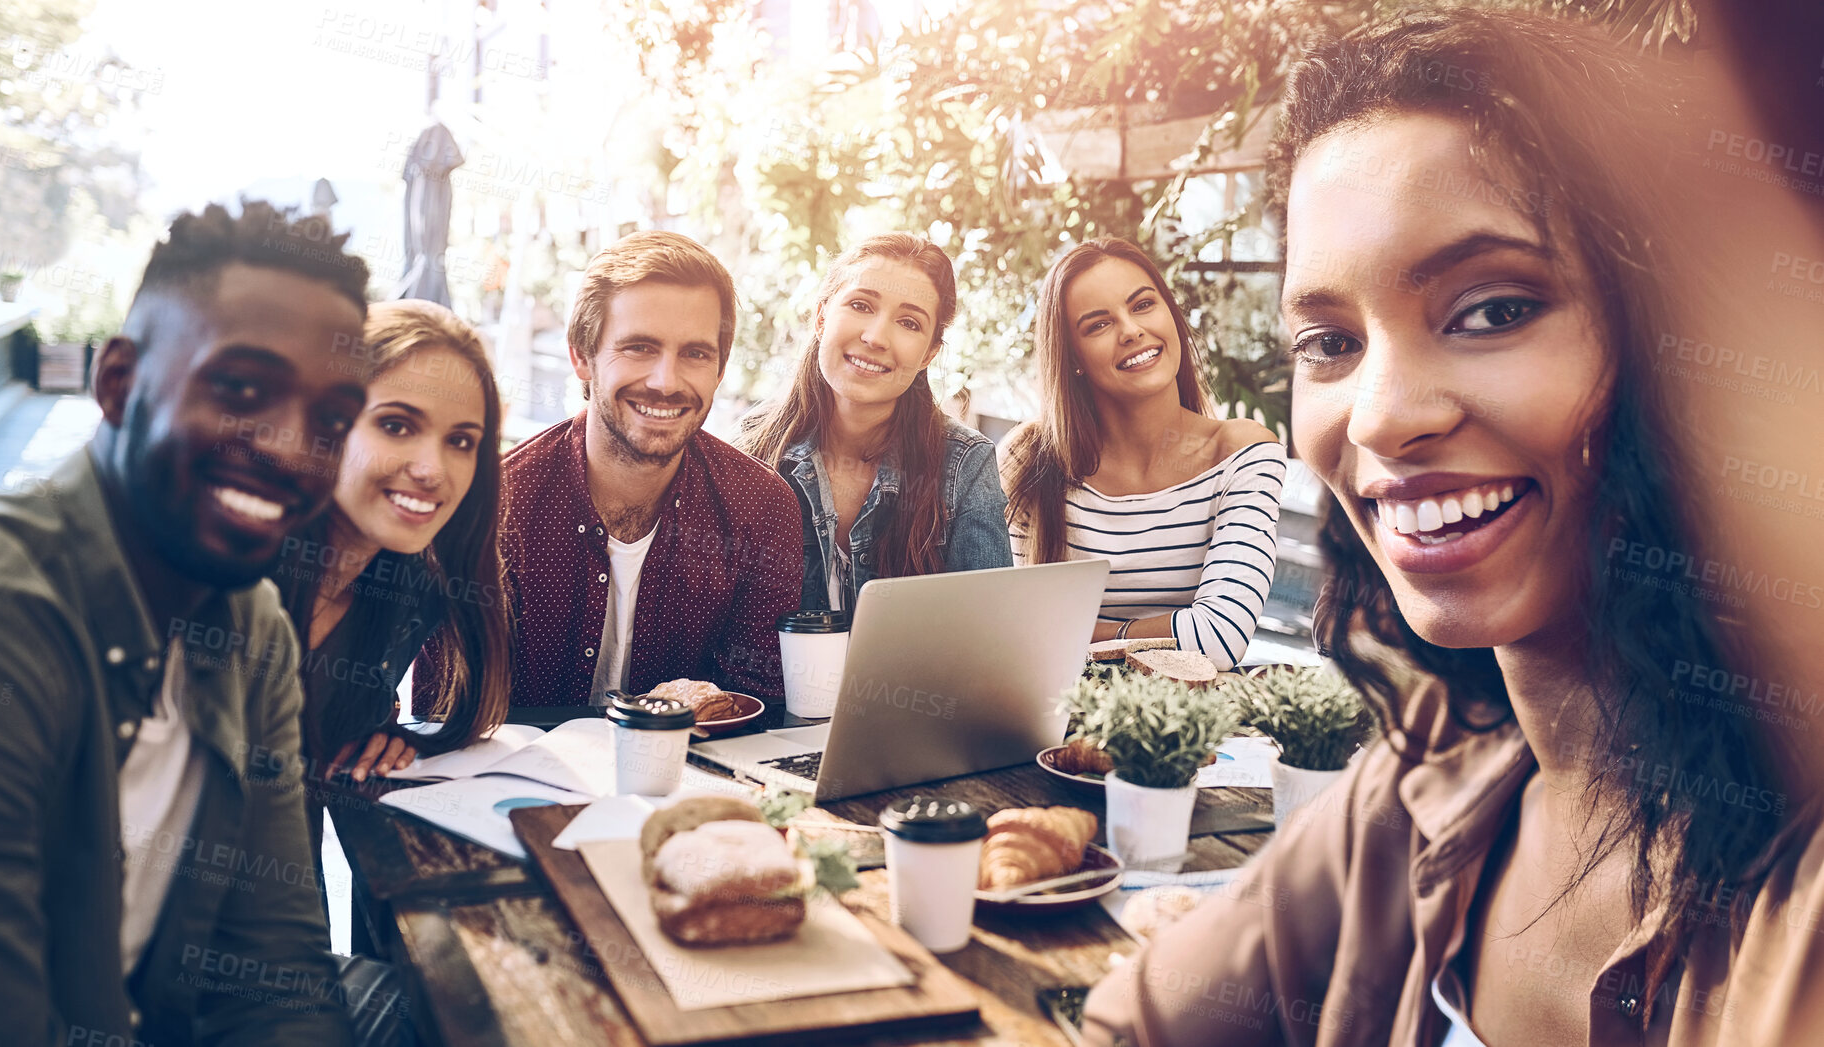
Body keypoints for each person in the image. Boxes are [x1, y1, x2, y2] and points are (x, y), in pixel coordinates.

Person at [1084, 11, 1823, 1045]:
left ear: (1678, 344)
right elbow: (1139, 1022)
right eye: (1330, 340)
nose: (1380, 414)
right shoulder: (1434, 774)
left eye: (1492, 309)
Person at [0, 201, 382, 1044]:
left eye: (333, 421)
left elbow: (274, 969)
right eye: (242, 390)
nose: (290, 447)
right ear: (119, 383)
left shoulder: (253, 628)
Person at [424, 230, 801, 709]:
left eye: (695, 353)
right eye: (639, 347)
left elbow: (757, 711)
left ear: (721, 369)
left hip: (693, 779)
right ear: (582, 356)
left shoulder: (762, 509)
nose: (666, 382)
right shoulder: (493, 506)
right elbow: (442, 716)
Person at [270, 300, 512, 903]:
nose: (432, 469)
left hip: (289, 931)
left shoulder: (409, 591)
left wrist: (384, 730)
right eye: (397, 425)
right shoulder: (228, 576)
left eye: (462, 440)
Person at [1001, 237, 1285, 670]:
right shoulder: (1031, 458)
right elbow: (1010, 630)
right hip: (1052, 723)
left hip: (1185, 725)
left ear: (1170, 314)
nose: (1131, 330)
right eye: (1098, 325)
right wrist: (1167, 632)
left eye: (1143, 305)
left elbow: (1218, 639)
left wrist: (1091, 634)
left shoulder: (1241, 453)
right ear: (1073, 357)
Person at [737, 233, 1010, 614]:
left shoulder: (965, 463)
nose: (875, 337)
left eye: (909, 323)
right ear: (821, 317)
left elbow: (990, 630)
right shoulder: (751, 447)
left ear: (930, 352)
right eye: (861, 304)